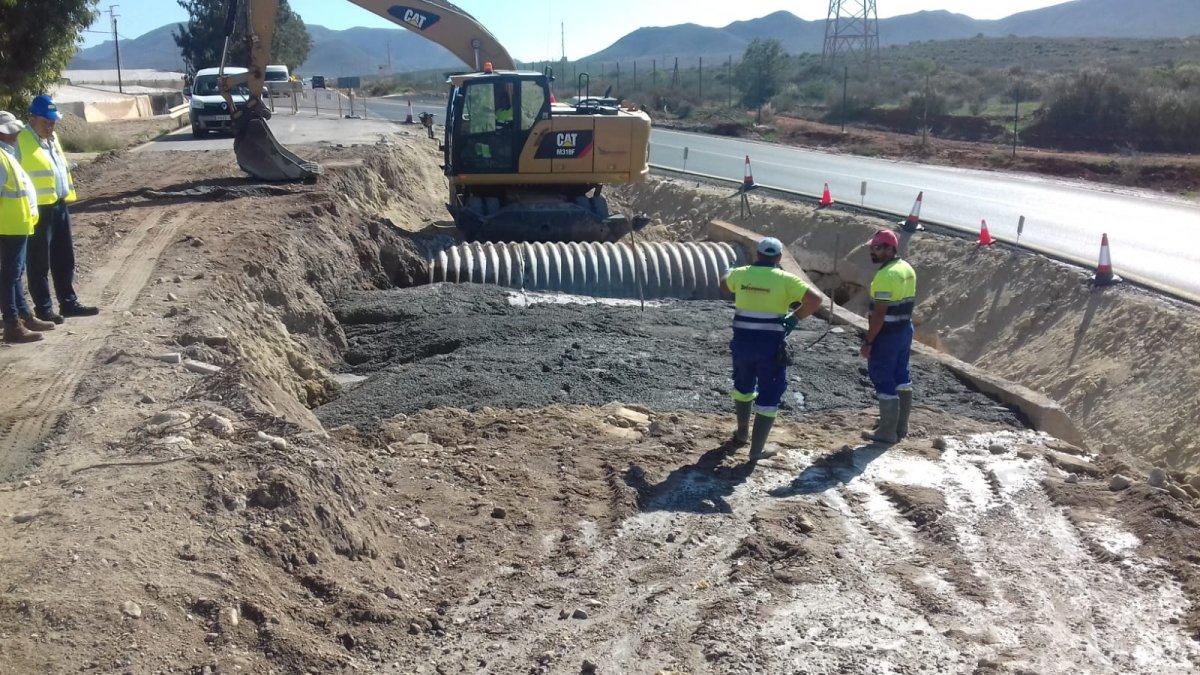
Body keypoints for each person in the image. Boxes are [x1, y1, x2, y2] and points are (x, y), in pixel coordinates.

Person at [720, 237, 823, 460]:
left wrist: (728, 272)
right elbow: (815, 300)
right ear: (778, 258)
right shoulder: (786, 280)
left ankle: (741, 433)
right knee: (769, 392)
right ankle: (757, 450)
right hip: (770, 346)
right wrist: (795, 318)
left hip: (742, 343)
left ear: (757, 255)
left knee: (742, 387)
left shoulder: (742, 273)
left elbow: (724, 284)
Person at [16, 95, 99, 324]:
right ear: (33, 118)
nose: (51, 125)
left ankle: (68, 303)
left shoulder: (52, 139)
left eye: (53, 121)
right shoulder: (21, 140)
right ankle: (43, 309)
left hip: (59, 205)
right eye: (46, 121)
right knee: (38, 262)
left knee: (64, 258)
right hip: (38, 210)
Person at [860, 229, 918, 444]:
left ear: (889, 248)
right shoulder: (906, 268)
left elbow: (879, 314)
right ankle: (900, 425)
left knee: (883, 377)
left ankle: (886, 432)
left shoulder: (886, 275)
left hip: (887, 334)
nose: (872, 252)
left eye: (876, 248)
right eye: (871, 248)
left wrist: (868, 341)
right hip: (904, 330)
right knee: (901, 375)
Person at [0, 111, 53, 343]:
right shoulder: (1, 157)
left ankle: (24, 315)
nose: (15, 135)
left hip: (18, 225)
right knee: (10, 276)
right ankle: (12, 323)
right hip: (9, 227)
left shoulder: (7, 154)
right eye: (10, 132)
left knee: (15, 274)